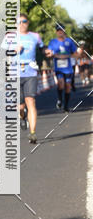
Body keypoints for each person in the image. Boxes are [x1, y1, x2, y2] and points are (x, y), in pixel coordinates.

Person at [15, 13, 44, 144]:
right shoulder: (11, 37)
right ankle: (22, 117)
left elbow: (43, 49)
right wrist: (13, 50)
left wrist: (47, 52)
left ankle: (32, 133)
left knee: (30, 101)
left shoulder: (35, 37)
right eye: (19, 22)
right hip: (15, 74)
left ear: (28, 22)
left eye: (24, 21)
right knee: (20, 107)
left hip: (31, 72)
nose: (22, 24)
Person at [46, 25, 81, 112]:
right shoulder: (53, 42)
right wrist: (51, 54)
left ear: (64, 31)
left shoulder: (69, 41)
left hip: (68, 69)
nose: (60, 32)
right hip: (59, 68)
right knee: (61, 84)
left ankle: (66, 106)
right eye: (58, 30)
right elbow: (49, 53)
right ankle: (60, 99)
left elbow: (76, 54)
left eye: (61, 30)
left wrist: (67, 55)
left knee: (68, 86)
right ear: (56, 32)